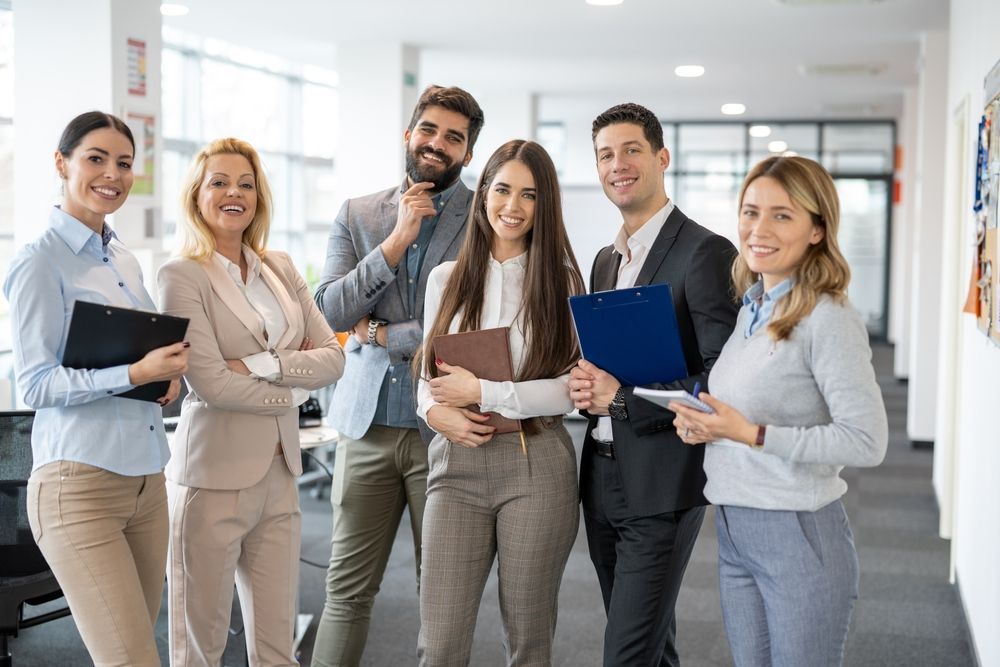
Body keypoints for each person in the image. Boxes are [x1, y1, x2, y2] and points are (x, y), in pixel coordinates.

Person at [670, 156, 888, 667]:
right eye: (750, 212)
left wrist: (751, 433)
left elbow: (866, 440)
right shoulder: (752, 307)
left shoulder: (827, 316)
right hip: (735, 526)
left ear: (817, 229)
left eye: (782, 215)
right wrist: (707, 425)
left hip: (798, 531)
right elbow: (746, 409)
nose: (758, 229)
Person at [3, 110, 189, 666]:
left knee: (136, 650)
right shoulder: (39, 261)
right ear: (62, 164)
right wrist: (133, 374)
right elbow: (35, 385)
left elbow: (135, 355)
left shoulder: (125, 259)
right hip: (78, 487)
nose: (113, 174)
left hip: (147, 483)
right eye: (97, 158)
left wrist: (165, 376)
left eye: (125, 163)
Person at [311, 85, 484, 667]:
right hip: (366, 427)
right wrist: (395, 242)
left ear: (467, 151)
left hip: (446, 427)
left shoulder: (486, 217)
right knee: (346, 590)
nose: (438, 144)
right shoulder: (360, 214)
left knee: (441, 597)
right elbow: (329, 313)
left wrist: (381, 334)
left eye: (454, 138)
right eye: (429, 130)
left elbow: (471, 325)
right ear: (409, 135)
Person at [157, 137, 345, 666]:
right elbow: (211, 385)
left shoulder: (280, 267)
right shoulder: (182, 275)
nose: (233, 193)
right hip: (211, 477)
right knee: (201, 647)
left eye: (245, 184)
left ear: (259, 197)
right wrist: (295, 382)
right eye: (218, 182)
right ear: (197, 194)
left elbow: (333, 358)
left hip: (280, 473)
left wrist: (263, 367)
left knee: (276, 646)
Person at [567, 102, 739, 667]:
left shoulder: (706, 253)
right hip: (601, 475)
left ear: (662, 157)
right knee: (649, 645)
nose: (618, 164)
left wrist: (621, 399)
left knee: (626, 653)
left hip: (663, 483)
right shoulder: (603, 261)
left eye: (631, 150)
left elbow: (721, 379)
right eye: (605, 155)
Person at [414, 139, 585, 665]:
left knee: (529, 641)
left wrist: (486, 393)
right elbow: (429, 374)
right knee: (438, 642)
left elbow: (569, 390)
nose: (512, 206)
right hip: (456, 463)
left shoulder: (563, 281)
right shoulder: (446, 278)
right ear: (483, 192)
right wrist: (433, 411)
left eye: (529, 195)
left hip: (536, 464)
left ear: (544, 205)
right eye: (502, 189)